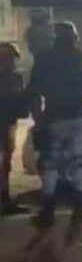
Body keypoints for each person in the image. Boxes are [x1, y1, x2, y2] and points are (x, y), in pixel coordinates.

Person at [27, 22, 82, 229]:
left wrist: (38, 117)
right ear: (75, 38)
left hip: (55, 118)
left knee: (52, 163)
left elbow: (33, 92)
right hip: (81, 117)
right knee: (80, 160)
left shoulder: (44, 60)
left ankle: (48, 211)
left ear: (55, 38)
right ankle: (79, 206)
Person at [0, 42, 29, 217]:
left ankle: (5, 200)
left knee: (5, 164)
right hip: (6, 125)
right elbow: (19, 104)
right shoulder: (14, 79)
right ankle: (5, 201)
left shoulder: (15, 78)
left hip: (8, 125)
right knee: (4, 164)